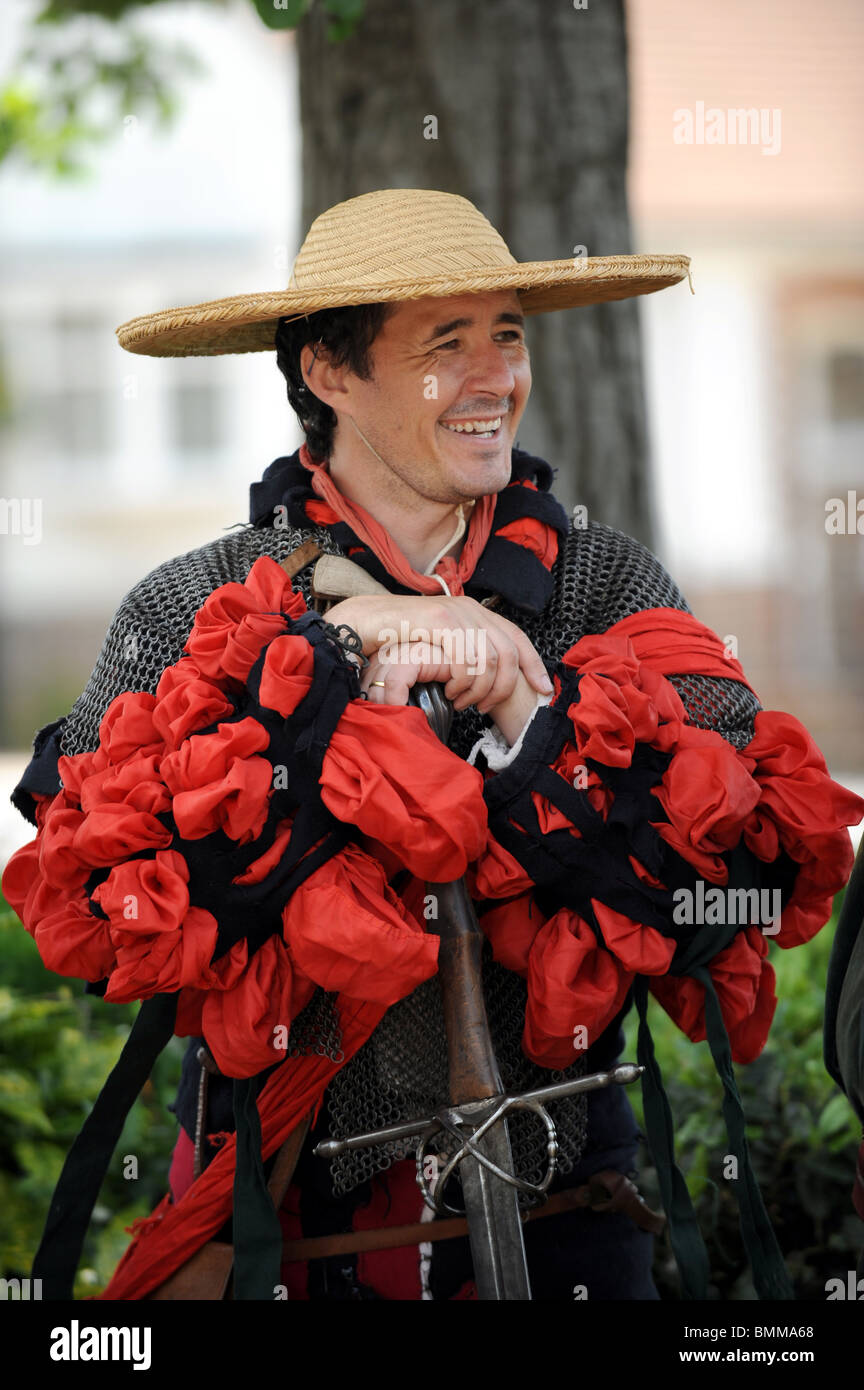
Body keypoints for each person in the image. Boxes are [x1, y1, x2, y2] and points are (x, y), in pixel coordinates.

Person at [4, 189, 861, 1302]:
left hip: (573, 1226)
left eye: (506, 332)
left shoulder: (608, 586)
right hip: (283, 1232)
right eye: (443, 344)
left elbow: (742, 883)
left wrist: (537, 722)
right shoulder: (187, 607)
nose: (493, 375)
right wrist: (337, 655)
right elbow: (103, 907)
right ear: (328, 372)